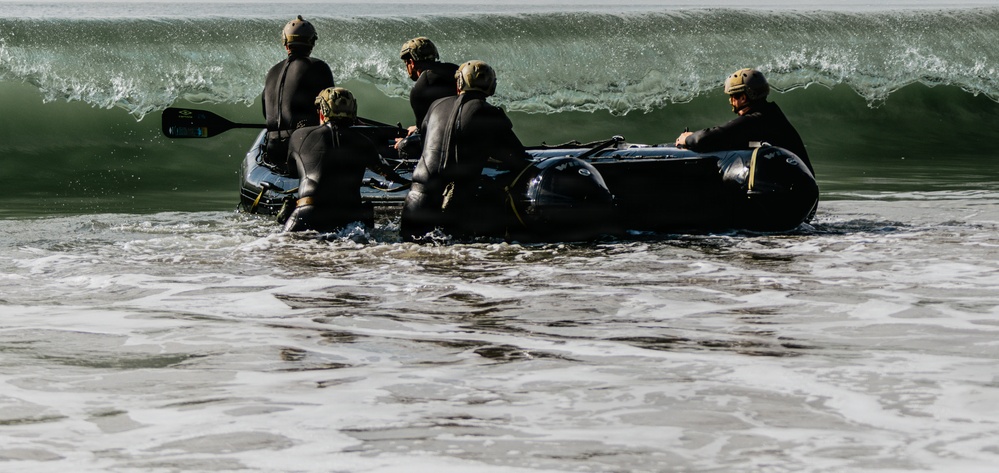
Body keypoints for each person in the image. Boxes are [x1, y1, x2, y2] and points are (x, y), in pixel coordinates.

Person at [400, 60, 533, 241]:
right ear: (491, 87)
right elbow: (516, 156)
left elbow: (425, 142)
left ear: (459, 83)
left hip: (416, 201)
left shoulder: (435, 106)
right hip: (453, 205)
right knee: (458, 255)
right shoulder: (490, 113)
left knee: (412, 253)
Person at [282, 87, 410, 233]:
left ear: (322, 112)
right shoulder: (364, 142)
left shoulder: (299, 136)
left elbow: (292, 172)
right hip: (350, 218)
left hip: (308, 213)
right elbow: (389, 174)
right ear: (353, 111)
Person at [675, 68, 814, 175]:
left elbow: (705, 139)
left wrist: (687, 138)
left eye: (733, 96)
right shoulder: (771, 113)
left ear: (743, 98)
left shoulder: (757, 119)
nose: (730, 101)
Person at [261, 15, 336, 172]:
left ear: (285, 42)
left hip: (273, 149)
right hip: (302, 149)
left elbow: (265, 113)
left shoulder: (271, 72)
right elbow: (331, 111)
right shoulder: (318, 67)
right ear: (312, 42)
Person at [394, 37, 459, 157]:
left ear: (411, 62)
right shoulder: (455, 69)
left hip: (448, 146)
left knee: (405, 146)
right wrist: (417, 128)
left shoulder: (420, 88)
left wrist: (404, 141)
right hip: (471, 134)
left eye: (406, 63)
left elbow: (427, 135)